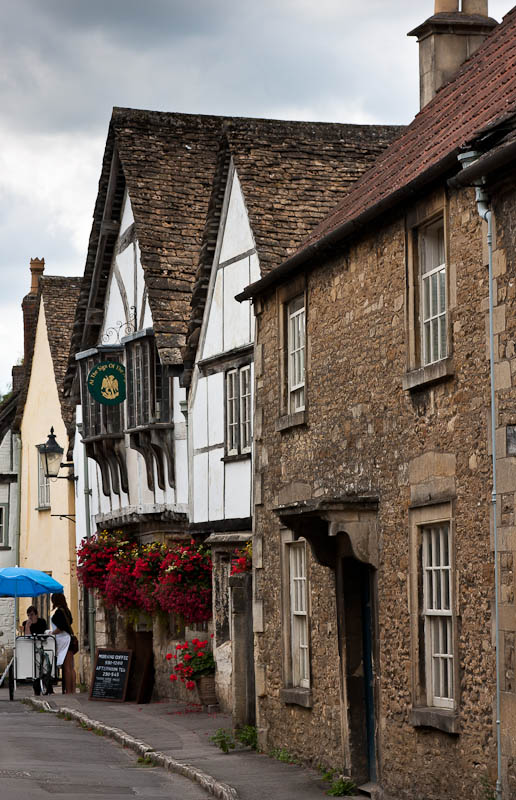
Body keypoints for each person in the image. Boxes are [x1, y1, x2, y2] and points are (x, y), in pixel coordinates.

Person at [50, 593, 76, 694]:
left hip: (64, 641)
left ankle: (69, 690)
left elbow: (60, 628)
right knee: (71, 667)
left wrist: (51, 632)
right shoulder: (67, 611)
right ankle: (73, 689)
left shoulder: (58, 613)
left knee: (67, 668)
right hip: (69, 639)